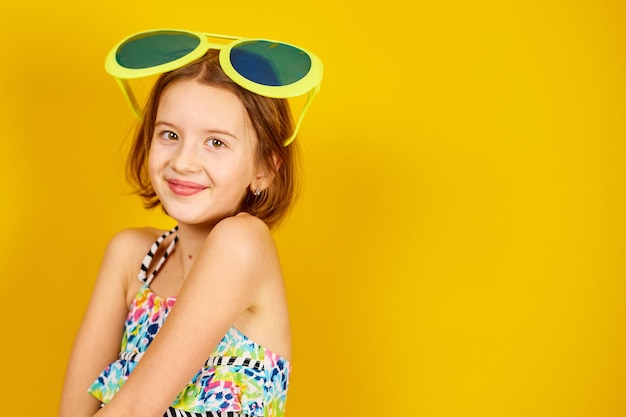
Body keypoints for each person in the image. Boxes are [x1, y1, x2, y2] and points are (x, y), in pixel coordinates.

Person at [59, 29, 322, 417]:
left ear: (265, 169)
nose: (183, 161)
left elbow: (135, 409)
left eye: (215, 142)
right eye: (170, 134)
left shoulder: (242, 243)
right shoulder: (131, 256)